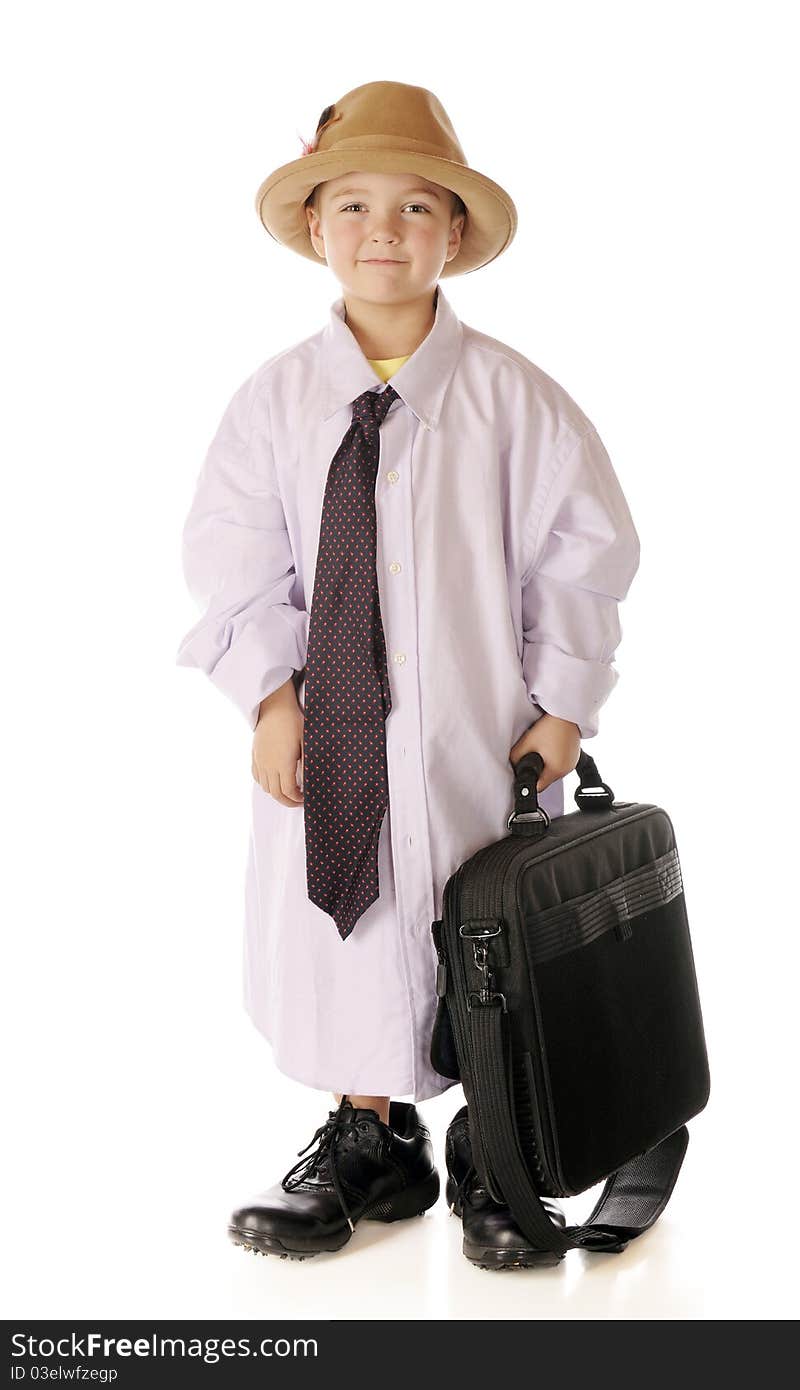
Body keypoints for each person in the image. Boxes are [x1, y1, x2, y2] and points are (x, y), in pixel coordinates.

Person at [175, 81, 640, 1268]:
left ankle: (497, 1146)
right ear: (318, 229)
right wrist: (270, 699)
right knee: (341, 933)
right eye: (356, 205)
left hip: (474, 748)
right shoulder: (276, 404)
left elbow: (579, 556)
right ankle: (368, 1142)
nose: (385, 230)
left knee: (481, 941)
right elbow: (236, 558)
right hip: (328, 746)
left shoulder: (510, 403)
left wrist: (563, 704)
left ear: (453, 236)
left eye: (417, 206)